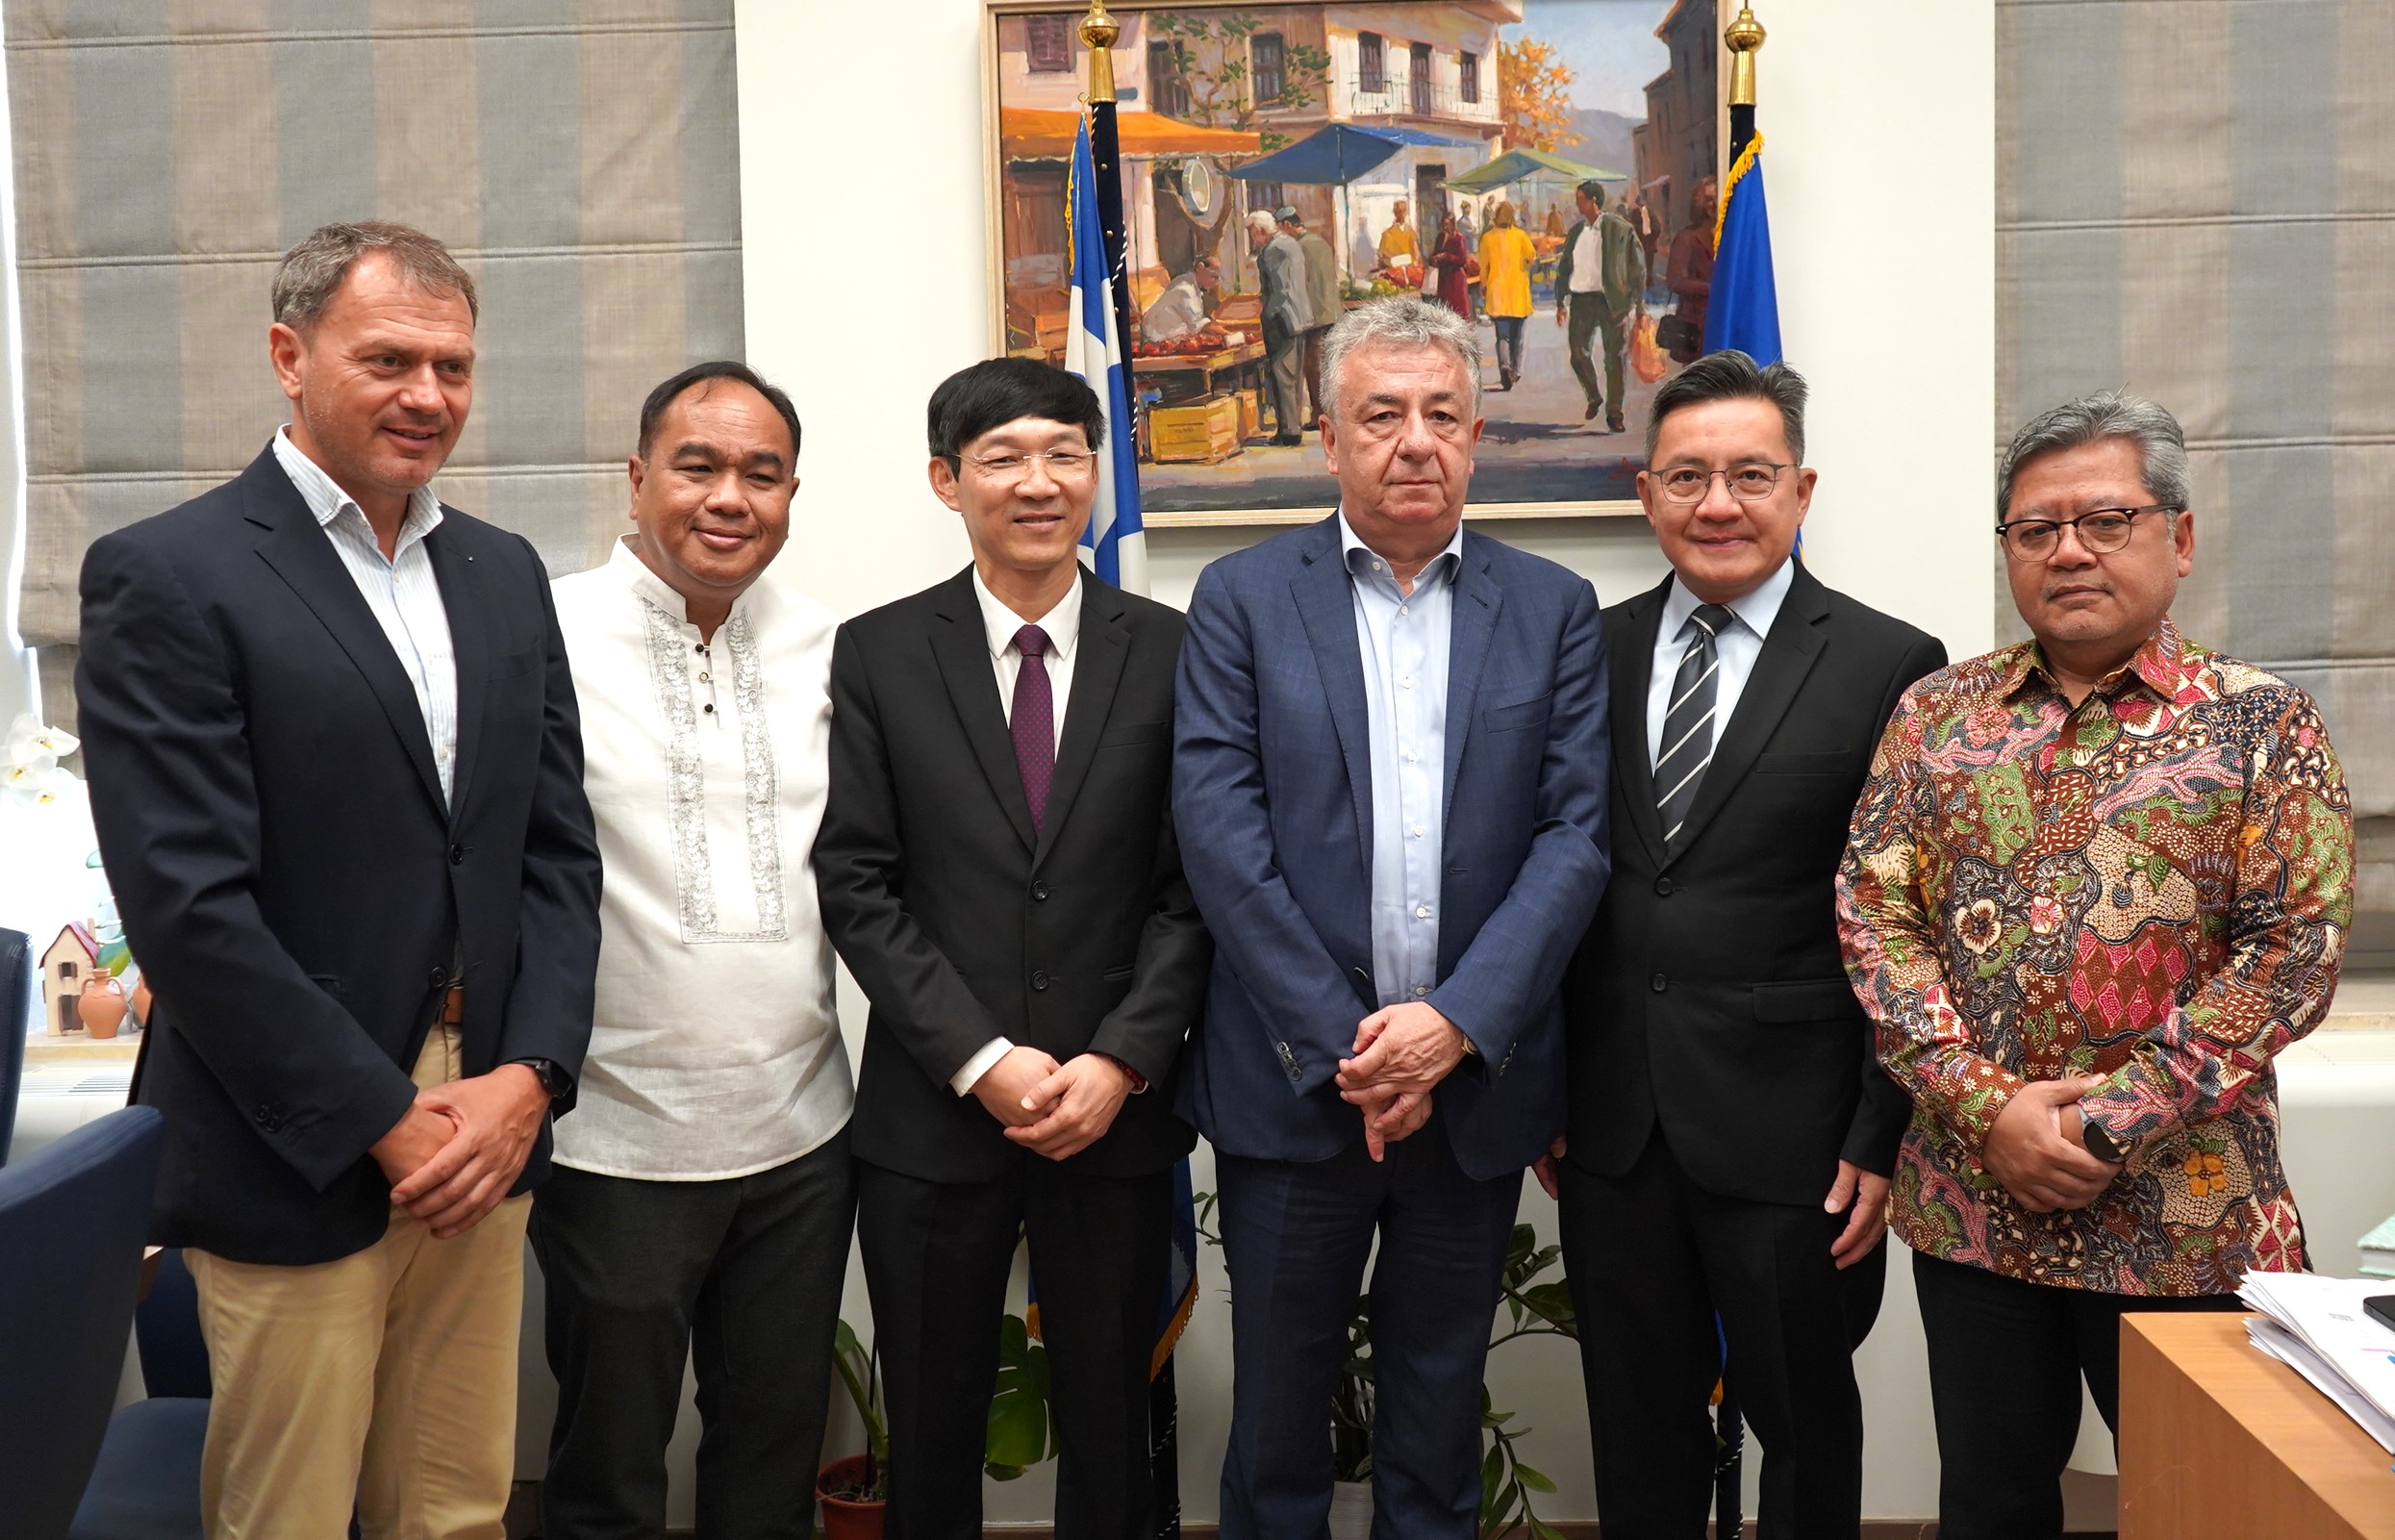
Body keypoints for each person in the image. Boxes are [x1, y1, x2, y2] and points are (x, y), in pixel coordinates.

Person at [75, 220, 602, 1539]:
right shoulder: (170, 572)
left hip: (486, 1117)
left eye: (453, 366)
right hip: (296, 1134)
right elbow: (189, 907)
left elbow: (553, 851)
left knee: (457, 1506)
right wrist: (384, 1117)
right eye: (388, 360)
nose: (428, 395)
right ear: (289, 355)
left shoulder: (502, 572)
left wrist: (531, 1077)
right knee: (291, 1515)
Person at [1839, 390, 2354, 1540]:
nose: (2068, 549)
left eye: (2105, 520)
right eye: (2037, 528)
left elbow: (2293, 952)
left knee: (2215, 1508)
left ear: (2179, 536)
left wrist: (2107, 1120)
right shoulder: (1936, 717)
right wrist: (1989, 1108)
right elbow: (1876, 918)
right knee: (1990, 1505)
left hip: (2189, 1213)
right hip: (1979, 1206)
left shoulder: (2263, 724)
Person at [1173, 295, 1610, 1539]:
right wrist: (1355, 1050)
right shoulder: (1241, 599)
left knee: (1435, 1424)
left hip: (1470, 1098)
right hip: (1294, 1091)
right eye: (1380, 415)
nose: (1414, 440)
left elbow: (1573, 838)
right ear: (1328, 439)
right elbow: (1221, 840)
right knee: (1275, 1430)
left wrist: (1451, 1028)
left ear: (1474, 435)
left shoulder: (1553, 606)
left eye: (1440, 414)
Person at [1544, 352, 1946, 1540]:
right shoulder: (1587, 649)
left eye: (1751, 475)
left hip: (1797, 1134)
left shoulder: (1890, 663)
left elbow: (1910, 920)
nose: (1718, 503)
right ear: (1646, 491)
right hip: (1611, 1127)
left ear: (1802, 489)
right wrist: (1546, 1085)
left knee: (1806, 1428)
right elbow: (1549, 875)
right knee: (1637, 1428)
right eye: (1688, 476)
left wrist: (1880, 1130)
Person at [815, 358, 1210, 1540]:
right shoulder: (879, 651)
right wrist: (981, 1058)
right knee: (930, 1429)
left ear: (1096, 472)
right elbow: (858, 881)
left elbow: (1194, 890)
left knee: (1113, 1425)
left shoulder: (1177, 648)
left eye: (1063, 455)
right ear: (948, 480)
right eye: (1002, 458)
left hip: (1114, 1111)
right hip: (934, 1117)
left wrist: (1123, 1058)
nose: (1037, 483)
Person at [538, 362, 855, 1539]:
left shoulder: (831, 650)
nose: (730, 497)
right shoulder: (544, 635)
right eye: (698, 465)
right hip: (612, 1138)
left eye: (761, 474)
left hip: (802, 1135)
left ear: (790, 496)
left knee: (770, 1466)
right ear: (637, 480)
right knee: (607, 1474)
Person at [1554, 179, 1647, 431]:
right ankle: (1594, 395)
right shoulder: (1576, 232)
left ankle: (1615, 413)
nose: (1577, 204)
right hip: (1581, 299)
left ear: (1593, 200)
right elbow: (1564, 268)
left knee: (1615, 357)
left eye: (1580, 199)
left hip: (1613, 300)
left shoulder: (1620, 228)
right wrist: (1560, 301)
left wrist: (1639, 305)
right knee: (1578, 353)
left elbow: (1637, 267)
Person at [1248, 207, 1314, 445]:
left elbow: (1279, 290)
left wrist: (1267, 313)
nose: (1252, 239)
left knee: (1282, 376)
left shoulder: (1273, 250)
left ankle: (1288, 432)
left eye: (1252, 234)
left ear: (1260, 231)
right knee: (1293, 376)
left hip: (1282, 320)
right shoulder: (1290, 243)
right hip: (1299, 318)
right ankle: (1292, 427)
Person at [1286, 209, 1341, 429]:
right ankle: (1327, 411)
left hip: (1314, 314)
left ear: (1288, 226)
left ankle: (1319, 413)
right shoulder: (1320, 242)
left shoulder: (1300, 246)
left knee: (1313, 366)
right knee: (1325, 363)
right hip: (1330, 311)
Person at [1475, 201, 1537, 391]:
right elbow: (1531, 256)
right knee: (1517, 336)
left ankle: (1504, 365)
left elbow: (1483, 266)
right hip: (1518, 293)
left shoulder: (1487, 238)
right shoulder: (1520, 236)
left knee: (1502, 335)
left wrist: (1483, 286)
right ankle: (1515, 370)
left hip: (1498, 293)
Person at [1664, 176, 1718, 366]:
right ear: (1698, 202)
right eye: (1708, 199)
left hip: (1721, 318)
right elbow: (1675, 281)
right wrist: (1712, 289)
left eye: (1716, 198)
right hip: (1696, 324)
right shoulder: (1686, 238)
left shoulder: (1729, 235)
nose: (1714, 204)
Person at [1144, 255, 1221, 343]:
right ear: (1200, 268)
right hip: (1159, 339)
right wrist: (1229, 334)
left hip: (1173, 335)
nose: (1216, 282)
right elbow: (1198, 324)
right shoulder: (1185, 290)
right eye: (1213, 276)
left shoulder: (1188, 281)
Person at [1427, 212, 1472, 318]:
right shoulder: (1440, 237)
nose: (1445, 227)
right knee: (1445, 309)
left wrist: (1447, 256)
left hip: (1455, 279)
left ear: (1453, 224)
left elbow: (1462, 259)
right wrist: (1433, 258)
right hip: (1443, 278)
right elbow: (1436, 252)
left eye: (1447, 224)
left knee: (1457, 309)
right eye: (1443, 224)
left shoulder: (1459, 238)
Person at [1375, 197, 1419, 279]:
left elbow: (1415, 252)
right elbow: (1382, 255)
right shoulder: (1387, 234)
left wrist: (1414, 264)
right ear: (1395, 213)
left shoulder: (1410, 232)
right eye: (1399, 211)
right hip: (1394, 274)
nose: (1402, 214)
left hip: (1410, 273)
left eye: (1404, 210)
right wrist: (1394, 262)